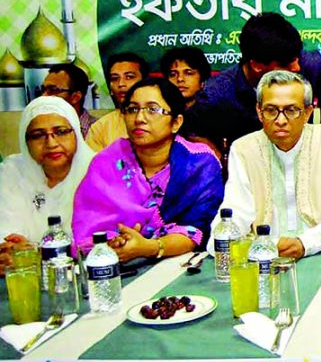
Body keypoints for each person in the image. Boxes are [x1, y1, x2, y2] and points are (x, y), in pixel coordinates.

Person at [211, 70, 321, 258]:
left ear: (307, 112)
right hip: (263, 257)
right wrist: (224, 240)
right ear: (259, 112)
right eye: (271, 110)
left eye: (291, 110)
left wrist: (306, 243)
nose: (281, 120)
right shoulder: (243, 149)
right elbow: (236, 210)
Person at [72, 78, 223, 262]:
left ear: (176, 122)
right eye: (132, 109)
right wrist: (113, 244)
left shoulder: (199, 165)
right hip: (112, 267)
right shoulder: (106, 163)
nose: (139, 119)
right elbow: (89, 230)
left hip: (180, 265)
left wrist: (148, 247)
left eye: (152, 109)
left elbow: (197, 229)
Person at [186, 12, 321, 151]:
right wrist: (217, 159)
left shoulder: (310, 63)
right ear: (257, 66)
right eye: (286, 64)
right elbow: (191, 132)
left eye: (296, 58)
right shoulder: (216, 94)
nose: (296, 67)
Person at [0, 97, 93, 276]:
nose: (51, 143)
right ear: (25, 141)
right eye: (38, 135)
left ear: (76, 133)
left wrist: (33, 253)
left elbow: (97, 239)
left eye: (61, 132)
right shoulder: (12, 171)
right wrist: (9, 252)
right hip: (22, 276)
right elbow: (5, 233)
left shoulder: (98, 170)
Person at [86, 52, 149, 151]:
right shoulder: (101, 127)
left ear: (145, 82)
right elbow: (95, 165)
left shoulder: (161, 118)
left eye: (129, 77)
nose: (121, 84)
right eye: (115, 79)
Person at [40, 63, 95, 136]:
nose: (43, 96)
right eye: (43, 89)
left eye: (53, 90)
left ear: (75, 97)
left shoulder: (100, 129)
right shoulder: (40, 130)